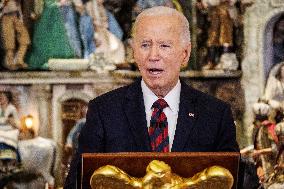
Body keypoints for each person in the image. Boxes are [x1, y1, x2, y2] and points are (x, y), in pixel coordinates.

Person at [64, 6, 239, 188]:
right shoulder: (103, 111)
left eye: (164, 45)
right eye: (145, 45)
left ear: (185, 54)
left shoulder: (216, 114)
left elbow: (232, 181)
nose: (153, 56)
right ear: (134, 52)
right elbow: (76, 184)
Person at [0, 0, 31, 70]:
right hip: (6, 17)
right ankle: (10, 62)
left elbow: (19, 5)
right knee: (9, 40)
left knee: (25, 37)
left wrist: (21, 17)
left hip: (16, 15)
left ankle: (19, 59)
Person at [0, 91, 21, 173]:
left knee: (2, 138)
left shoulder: (11, 109)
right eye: (0, 97)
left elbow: (17, 123)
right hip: (1, 129)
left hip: (10, 130)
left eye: (3, 97)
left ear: (7, 98)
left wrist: (10, 121)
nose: (1, 99)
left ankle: (7, 162)